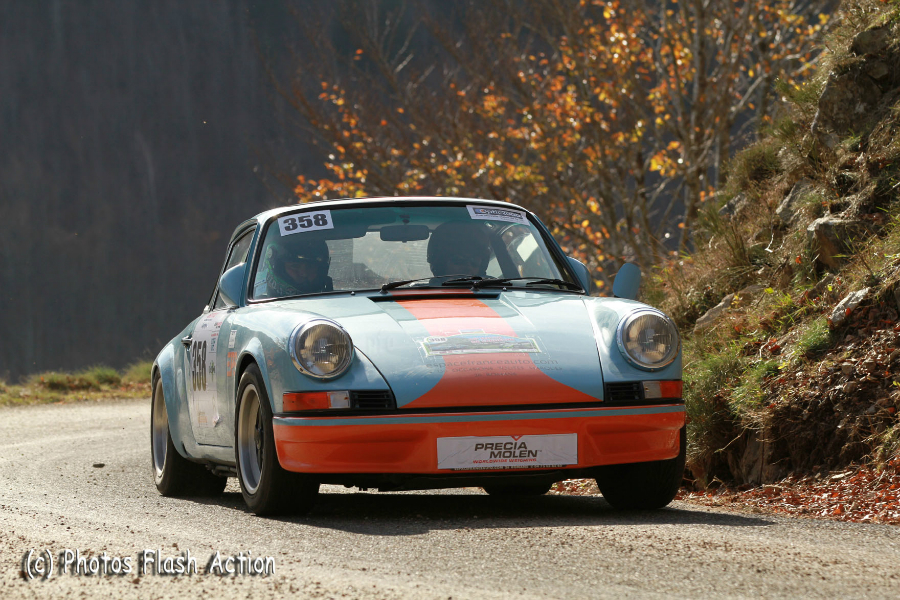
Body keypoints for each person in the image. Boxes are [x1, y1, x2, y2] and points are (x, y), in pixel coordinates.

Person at [263, 238, 333, 297]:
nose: (304, 273)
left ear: (321, 270)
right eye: (295, 266)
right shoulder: (260, 306)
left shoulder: (336, 302)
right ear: (278, 269)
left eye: (310, 266)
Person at [426, 221, 492, 277]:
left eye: (474, 263)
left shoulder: (494, 286)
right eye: (459, 261)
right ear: (441, 264)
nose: (468, 268)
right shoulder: (428, 289)